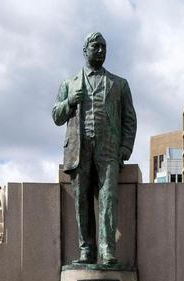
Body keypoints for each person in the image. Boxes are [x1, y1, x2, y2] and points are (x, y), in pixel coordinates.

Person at [52, 31, 137, 266]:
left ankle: (107, 250)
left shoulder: (119, 84)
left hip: (108, 149)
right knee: (82, 201)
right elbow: (56, 117)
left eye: (103, 47)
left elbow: (130, 119)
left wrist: (125, 149)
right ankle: (86, 250)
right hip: (79, 150)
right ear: (85, 50)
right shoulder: (69, 84)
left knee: (108, 199)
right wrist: (69, 102)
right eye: (96, 46)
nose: (100, 50)